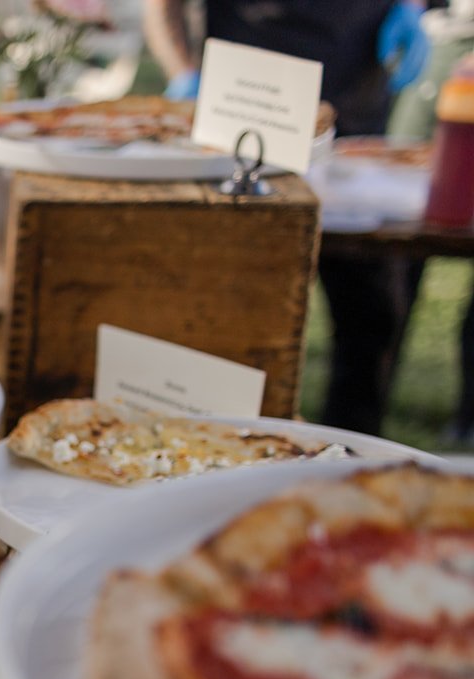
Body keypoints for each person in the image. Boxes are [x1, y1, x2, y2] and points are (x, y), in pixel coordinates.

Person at [143, 0, 430, 436]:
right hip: (250, 115)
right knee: (232, 313)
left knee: (370, 314)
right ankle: (220, 444)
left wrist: (412, 5)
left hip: (354, 122)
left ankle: (352, 457)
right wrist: (183, 72)